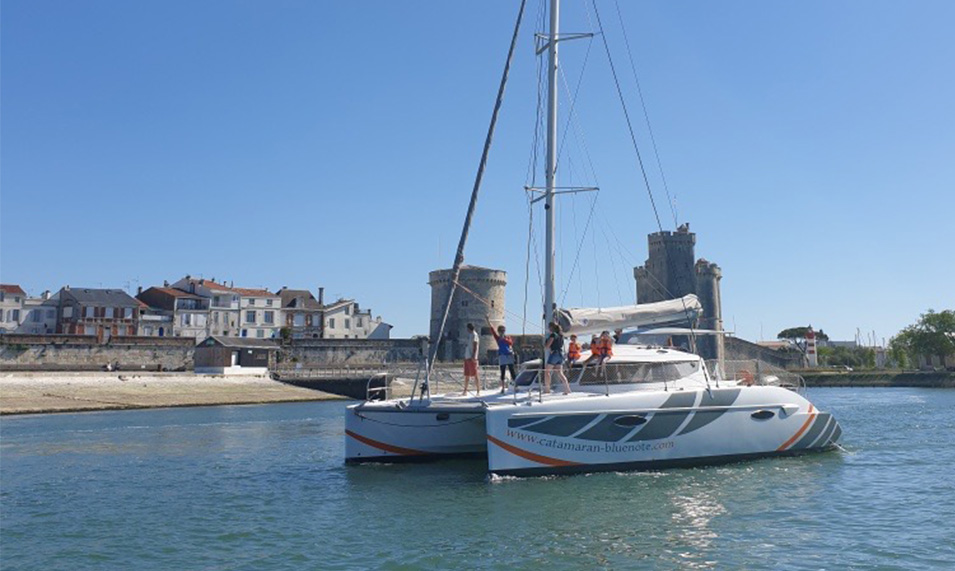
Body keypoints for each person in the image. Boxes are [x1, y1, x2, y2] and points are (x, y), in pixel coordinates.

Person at [486, 316, 515, 393]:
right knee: (502, 372)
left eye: (503, 331)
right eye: (500, 331)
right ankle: (502, 388)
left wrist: (504, 339)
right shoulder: (498, 338)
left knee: (512, 371)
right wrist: (488, 321)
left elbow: (511, 343)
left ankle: (515, 386)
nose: (502, 332)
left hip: (508, 355)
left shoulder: (507, 337)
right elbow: (492, 330)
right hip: (502, 356)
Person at [544, 322, 571, 395]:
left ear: (551, 327)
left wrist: (546, 342)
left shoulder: (553, 335)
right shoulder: (560, 335)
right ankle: (567, 389)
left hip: (554, 354)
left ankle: (547, 389)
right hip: (560, 354)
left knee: (547, 371)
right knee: (560, 373)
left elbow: (547, 346)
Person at [462, 323, 481, 396]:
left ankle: (478, 391)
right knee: (467, 374)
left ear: (469, 328)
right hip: (467, 357)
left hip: (472, 357)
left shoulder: (474, 335)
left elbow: (475, 345)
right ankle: (465, 391)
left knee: (475, 374)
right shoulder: (470, 335)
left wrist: (473, 356)